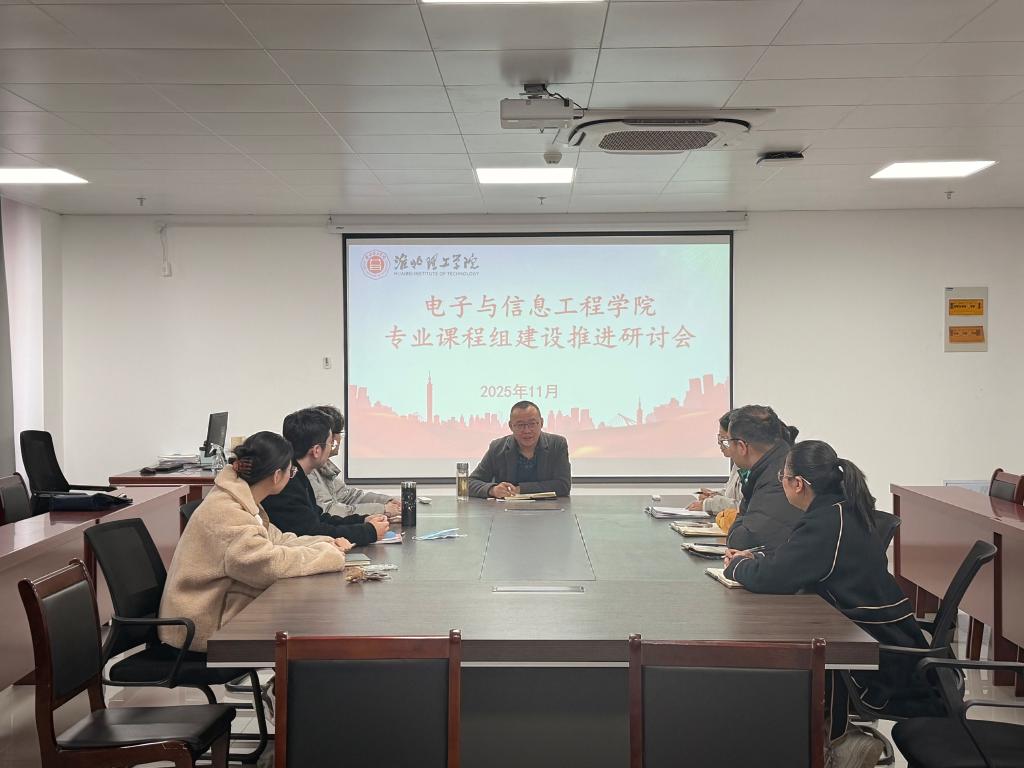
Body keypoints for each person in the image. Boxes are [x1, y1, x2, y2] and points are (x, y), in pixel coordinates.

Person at [723, 439, 940, 742]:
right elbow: (792, 556)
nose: (781, 482)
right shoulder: (839, 509)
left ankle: (835, 745)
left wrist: (735, 567)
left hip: (874, 658)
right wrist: (756, 556)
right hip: (885, 637)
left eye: (783, 477)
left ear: (798, 484)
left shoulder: (826, 522)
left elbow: (772, 578)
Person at [158, 431, 351, 652]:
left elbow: (278, 539)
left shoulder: (238, 498)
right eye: (291, 472)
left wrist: (326, 542)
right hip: (201, 628)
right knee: (311, 624)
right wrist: (327, 555)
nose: (291, 476)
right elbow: (269, 565)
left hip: (215, 611)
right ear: (277, 476)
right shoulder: (228, 512)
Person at [263, 408, 389, 546]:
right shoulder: (288, 482)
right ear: (316, 451)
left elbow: (319, 518)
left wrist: (362, 520)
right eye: (330, 443)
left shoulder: (299, 476)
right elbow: (312, 532)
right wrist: (368, 531)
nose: (331, 448)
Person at [723, 405, 802, 550]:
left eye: (728, 442)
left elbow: (742, 541)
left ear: (741, 446)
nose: (728, 448)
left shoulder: (779, 477)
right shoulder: (779, 463)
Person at [310, 405, 401, 521]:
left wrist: (386, 501)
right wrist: (382, 509)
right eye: (340, 434)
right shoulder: (310, 471)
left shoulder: (323, 465)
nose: (339, 440)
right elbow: (329, 510)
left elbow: (347, 496)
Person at [468, 400, 571, 498]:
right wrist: (492, 490)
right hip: (507, 509)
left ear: (541, 423)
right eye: (520, 425)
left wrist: (520, 489)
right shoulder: (497, 447)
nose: (527, 430)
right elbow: (470, 483)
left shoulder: (557, 445)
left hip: (549, 509)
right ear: (511, 426)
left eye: (532, 424)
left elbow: (563, 485)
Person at [688, 410, 747, 514]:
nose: (720, 443)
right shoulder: (737, 463)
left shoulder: (750, 466)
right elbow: (731, 495)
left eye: (724, 439)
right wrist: (714, 495)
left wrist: (708, 504)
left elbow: (742, 507)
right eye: (719, 437)